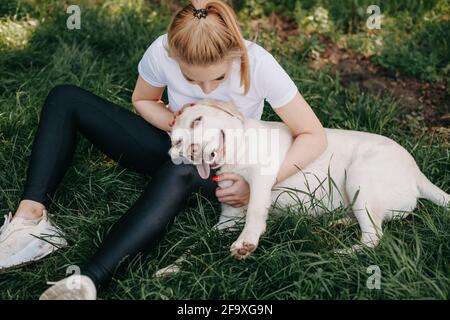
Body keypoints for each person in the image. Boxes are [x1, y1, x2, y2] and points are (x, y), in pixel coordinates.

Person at [0, 0, 327, 300]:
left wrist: (257, 185)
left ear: (236, 54)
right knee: (65, 97)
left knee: (181, 167)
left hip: (222, 168)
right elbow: (144, 100)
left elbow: (312, 134)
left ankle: (89, 280)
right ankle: (31, 219)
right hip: (174, 144)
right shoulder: (161, 50)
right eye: (190, 78)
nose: (205, 89)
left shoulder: (258, 64)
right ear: (173, 54)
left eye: (217, 78)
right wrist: (178, 124)